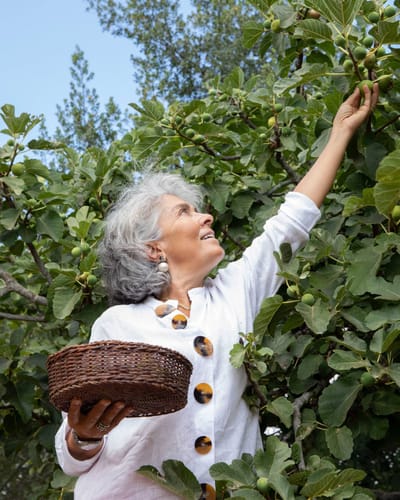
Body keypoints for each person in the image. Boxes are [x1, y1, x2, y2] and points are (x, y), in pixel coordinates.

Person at [54, 84, 378, 499]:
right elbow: (73, 458)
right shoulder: (118, 323)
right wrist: (83, 437)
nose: (206, 214)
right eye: (184, 211)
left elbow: (292, 221)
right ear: (154, 247)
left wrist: (340, 134)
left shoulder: (234, 293)